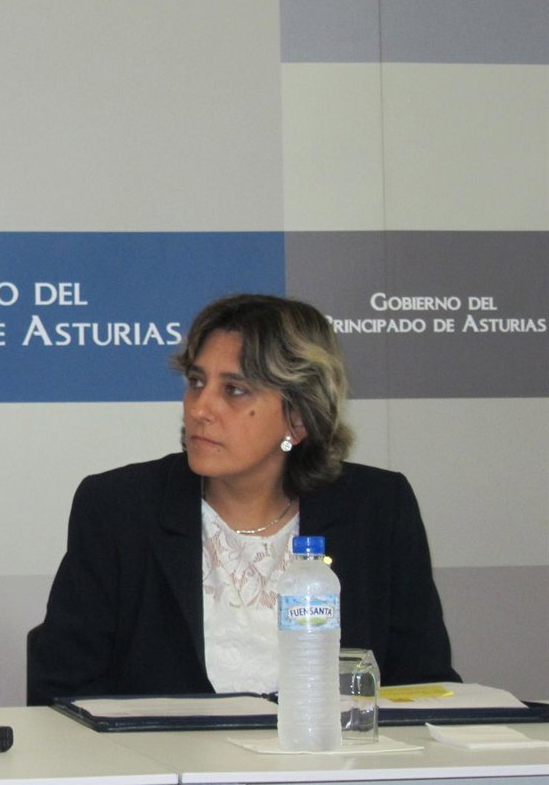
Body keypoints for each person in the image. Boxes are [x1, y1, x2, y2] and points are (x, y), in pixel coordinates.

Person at [27, 293, 459, 706]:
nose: (199, 408)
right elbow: (61, 692)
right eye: (196, 382)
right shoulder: (120, 508)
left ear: (298, 417)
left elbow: (424, 686)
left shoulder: (377, 510)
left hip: (332, 758)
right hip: (158, 758)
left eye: (234, 390)